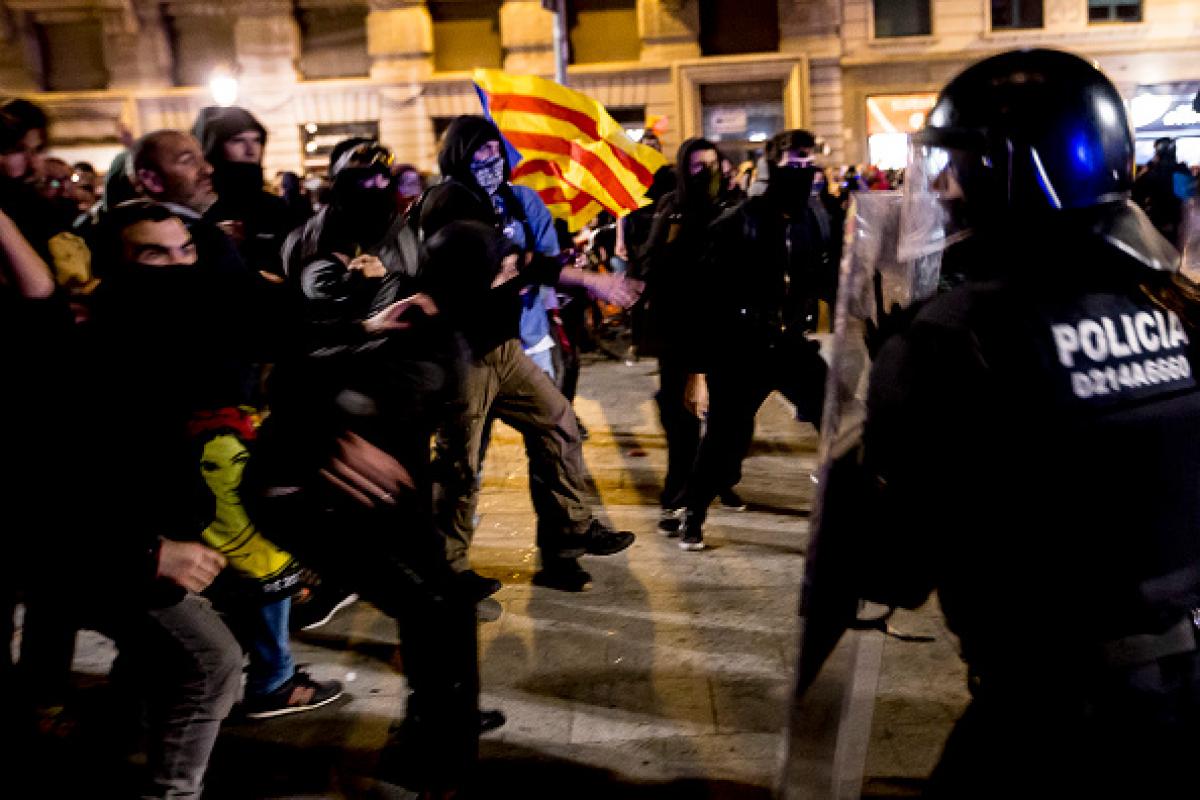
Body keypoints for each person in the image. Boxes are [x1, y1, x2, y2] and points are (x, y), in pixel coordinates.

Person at [857, 49, 1200, 798]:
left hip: (1049, 719)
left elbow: (891, 569)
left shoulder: (956, 337)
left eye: (961, 163)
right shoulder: (1175, 308)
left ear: (1018, 171)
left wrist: (879, 441)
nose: (944, 187)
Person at [418, 115, 643, 592]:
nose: (491, 161)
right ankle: (447, 573)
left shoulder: (502, 198)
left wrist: (528, 268)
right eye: (479, 153)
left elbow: (519, 264)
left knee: (557, 424)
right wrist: (588, 279)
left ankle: (569, 539)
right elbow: (505, 261)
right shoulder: (449, 199)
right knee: (459, 466)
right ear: (459, 154)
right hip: (465, 354)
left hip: (505, 346)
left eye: (494, 151)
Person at [675, 129, 834, 551]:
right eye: (791, 165)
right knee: (724, 435)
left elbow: (823, 275)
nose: (801, 173)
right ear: (770, 166)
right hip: (741, 347)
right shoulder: (737, 223)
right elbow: (706, 300)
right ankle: (693, 511)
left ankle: (849, 508)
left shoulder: (812, 219)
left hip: (791, 343)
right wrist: (700, 370)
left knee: (837, 418)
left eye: (807, 164)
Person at [638, 138, 729, 533]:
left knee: (724, 418)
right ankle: (679, 494)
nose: (705, 173)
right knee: (680, 418)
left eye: (711, 165)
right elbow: (651, 261)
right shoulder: (670, 208)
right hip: (677, 328)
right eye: (696, 166)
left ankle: (717, 482)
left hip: (721, 327)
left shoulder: (733, 209)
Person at [192, 106, 296, 275]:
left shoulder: (275, 206)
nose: (250, 149)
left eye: (256, 140)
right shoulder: (200, 202)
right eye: (237, 140)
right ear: (215, 145)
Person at [1133, 136, 1194, 247]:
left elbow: (1136, 194)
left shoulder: (1153, 173)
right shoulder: (1182, 171)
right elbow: (1188, 201)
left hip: (1157, 226)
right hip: (1181, 227)